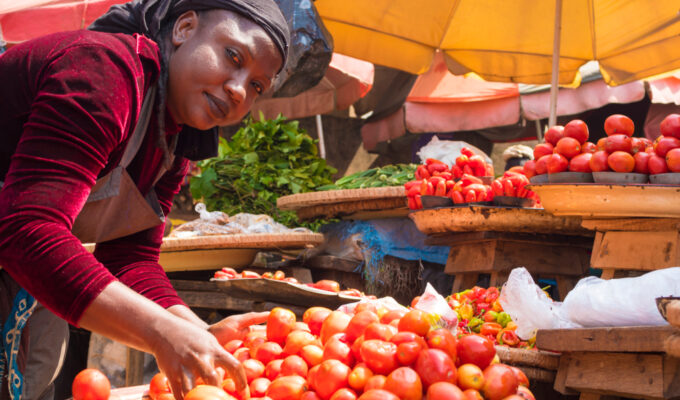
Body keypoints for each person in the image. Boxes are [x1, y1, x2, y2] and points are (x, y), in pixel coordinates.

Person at [0, 0, 289, 399]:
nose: (239, 89)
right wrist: (160, 332)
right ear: (184, 28)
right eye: (233, 55)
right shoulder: (105, 72)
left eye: (257, 85)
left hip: (28, 278)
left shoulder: (173, 140)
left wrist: (192, 329)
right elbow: (26, 230)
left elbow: (129, 258)